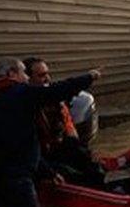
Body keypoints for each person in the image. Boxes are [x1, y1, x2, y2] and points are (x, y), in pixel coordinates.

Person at [0, 57, 100, 207]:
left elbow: (23, 146)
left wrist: (48, 172)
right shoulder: (18, 94)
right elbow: (56, 91)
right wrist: (89, 77)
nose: (26, 77)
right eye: (24, 73)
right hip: (15, 179)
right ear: (11, 74)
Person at [23, 57, 104, 185]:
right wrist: (49, 173)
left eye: (48, 74)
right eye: (41, 75)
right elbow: (27, 150)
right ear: (28, 78)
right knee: (72, 175)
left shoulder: (56, 102)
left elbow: (70, 131)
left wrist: (84, 153)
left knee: (92, 166)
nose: (47, 79)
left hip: (55, 152)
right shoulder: (24, 106)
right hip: (38, 161)